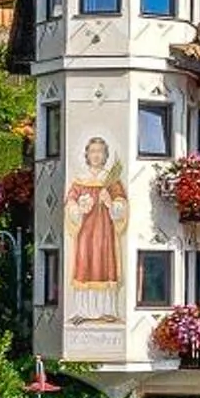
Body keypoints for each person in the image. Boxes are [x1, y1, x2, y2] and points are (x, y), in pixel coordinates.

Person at [66, 135, 126, 325]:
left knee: (105, 264)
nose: (96, 155)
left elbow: (121, 204)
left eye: (100, 151)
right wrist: (79, 209)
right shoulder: (79, 180)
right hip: (85, 231)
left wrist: (110, 202)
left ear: (105, 155)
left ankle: (107, 310)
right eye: (92, 151)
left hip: (105, 231)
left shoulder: (111, 180)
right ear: (87, 154)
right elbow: (69, 203)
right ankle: (82, 310)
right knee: (84, 264)